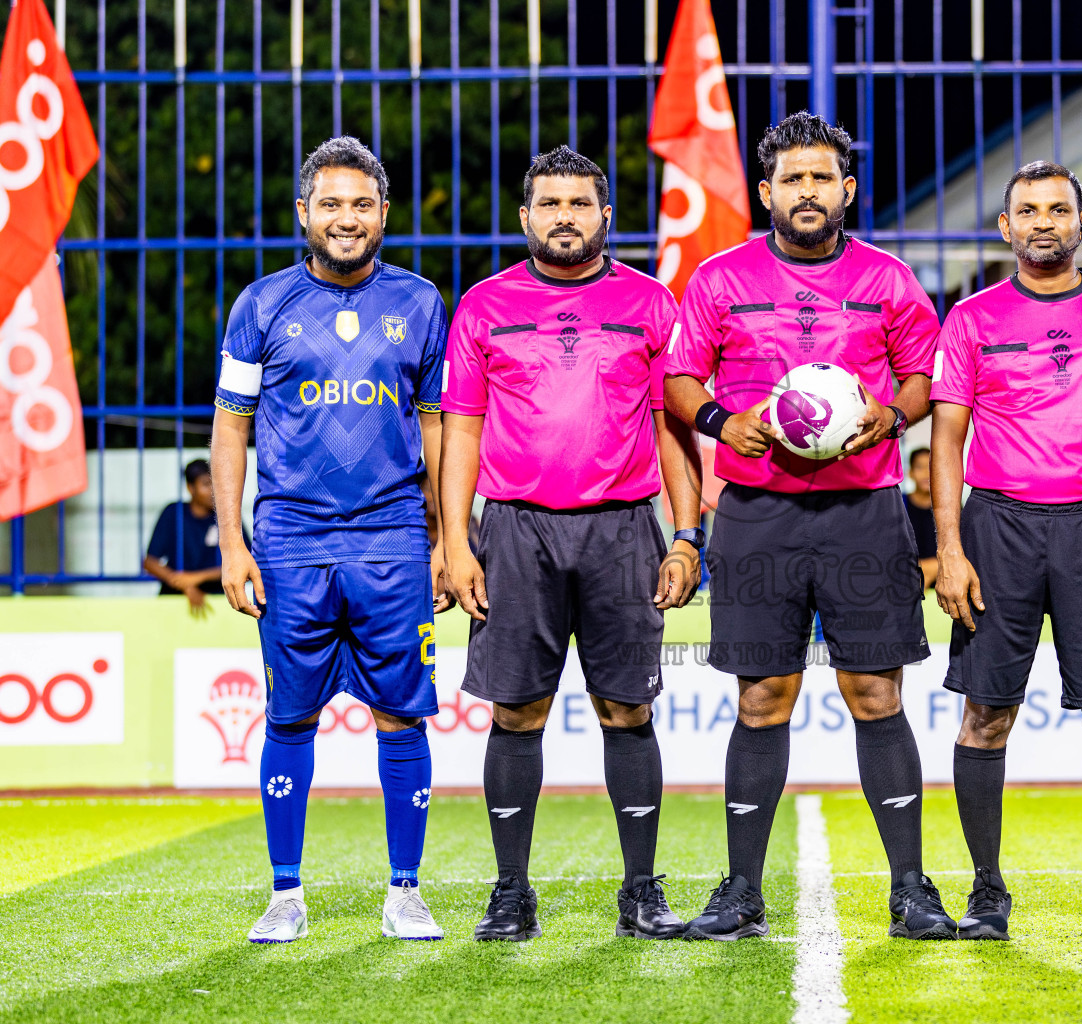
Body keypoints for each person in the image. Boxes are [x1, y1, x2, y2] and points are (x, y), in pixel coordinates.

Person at [665, 111, 953, 941]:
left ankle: (910, 890)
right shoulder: (719, 279)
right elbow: (681, 378)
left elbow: (920, 376)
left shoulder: (890, 281)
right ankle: (741, 893)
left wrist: (890, 420)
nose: (806, 191)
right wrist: (724, 422)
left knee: (875, 693)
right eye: (791, 179)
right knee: (762, 698)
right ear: (765, 192)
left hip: (864, 509)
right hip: (757, 513)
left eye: (821, 177)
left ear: (847, 190)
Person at [440, 146, 703, 942]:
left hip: (623, 530)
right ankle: (511, 892)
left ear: (605, 216)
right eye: (549, 203)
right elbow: (459, 432)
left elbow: (673, 431)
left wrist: (687, 536)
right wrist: (455, 541)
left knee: (627, 709)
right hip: (515, 529)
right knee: (517, 712)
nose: (564, 216)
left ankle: (641, 894)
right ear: (525, 217)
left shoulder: (652, 304)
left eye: (579, 203)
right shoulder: (483, 307)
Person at [211, 136, 451, 944]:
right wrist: (231, 545)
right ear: (305, 214)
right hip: (289, 542)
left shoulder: (421, 301)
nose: (345, 219)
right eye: (330, 205)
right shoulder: (260, 304)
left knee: (401, 718)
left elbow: (439, 426)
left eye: (361, 204)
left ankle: (405, 891)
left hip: (391, 541)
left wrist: (448, 540)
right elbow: (229, 431)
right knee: (288, 719)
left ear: (384, 213)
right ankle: (285, 893)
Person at [932, 160, 1082, 942]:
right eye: (1027, 211)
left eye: (1059, 209)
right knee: (985, 717)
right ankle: (986, 894)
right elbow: (946, 438)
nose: (1044, 221)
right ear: (1004, 228)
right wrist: (950, 547)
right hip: (997, 527)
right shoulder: (970, 319)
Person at [143, 459, 245, 618]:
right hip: (172, 602)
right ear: (191, 488)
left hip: (220, 604)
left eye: (215, 483)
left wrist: (196, 578)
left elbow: (243, 563)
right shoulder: (173, 513)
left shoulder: (227, 516)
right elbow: (150, 562)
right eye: (206, 484)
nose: (213, 490)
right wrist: (185, 585)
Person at [903, 447, 939, 588]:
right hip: (909, 572)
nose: (926, 472)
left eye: (930, 466)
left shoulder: (948, 507)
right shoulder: (901, 504)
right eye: (919, 467)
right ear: (910, 473)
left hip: (940, 572)